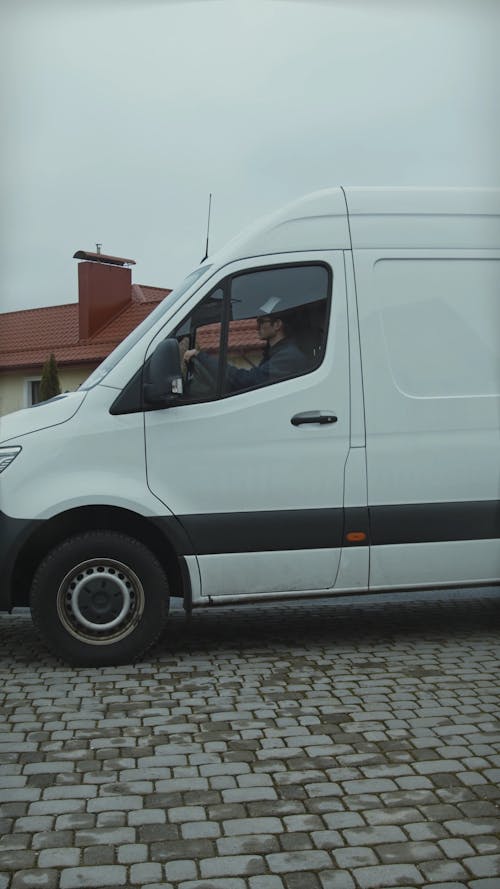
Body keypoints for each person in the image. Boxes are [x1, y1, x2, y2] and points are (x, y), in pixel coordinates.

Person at [183, 298, 308, 392]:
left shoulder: (288, 357)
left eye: (261, 321)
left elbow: (245, 381)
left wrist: (201, 357)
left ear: (277, 325)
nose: (256, 325)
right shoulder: (276, 353)